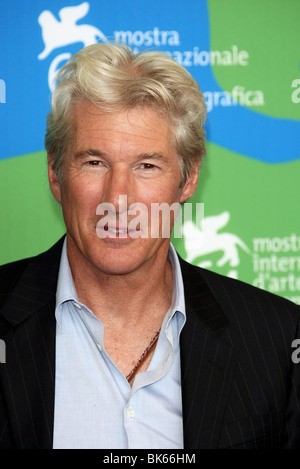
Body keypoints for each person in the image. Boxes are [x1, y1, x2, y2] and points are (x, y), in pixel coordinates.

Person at [0, 43, 299, 450]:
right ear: (55, 174)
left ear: (189, 178)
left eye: (147, 166)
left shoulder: (277, 339)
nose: (118, 197)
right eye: (94, 162)